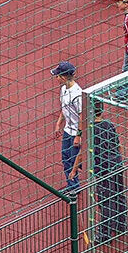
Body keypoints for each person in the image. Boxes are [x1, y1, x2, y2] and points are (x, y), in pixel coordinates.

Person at [70, 102, 128, 244]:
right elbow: (119, 145)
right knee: (119, 194)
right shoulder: (109, 125)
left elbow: (82, 154)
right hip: (116, 164)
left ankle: (104, 234)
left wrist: (74, 170)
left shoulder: (90, 130)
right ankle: (121, 225)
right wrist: (120, 160)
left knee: (105, 200)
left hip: (103, 168)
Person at [52, 61, 82, 193]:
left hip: (76, 133)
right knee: (66, 158)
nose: (56, 78)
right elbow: (64, 109)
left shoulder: (77, 94)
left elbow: (82, 116)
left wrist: (78, 136)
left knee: (77, 160)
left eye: (57, 76)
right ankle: (73, 186)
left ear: (63, 77)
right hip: (67, 131)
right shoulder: (63, 89)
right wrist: (58, 124)